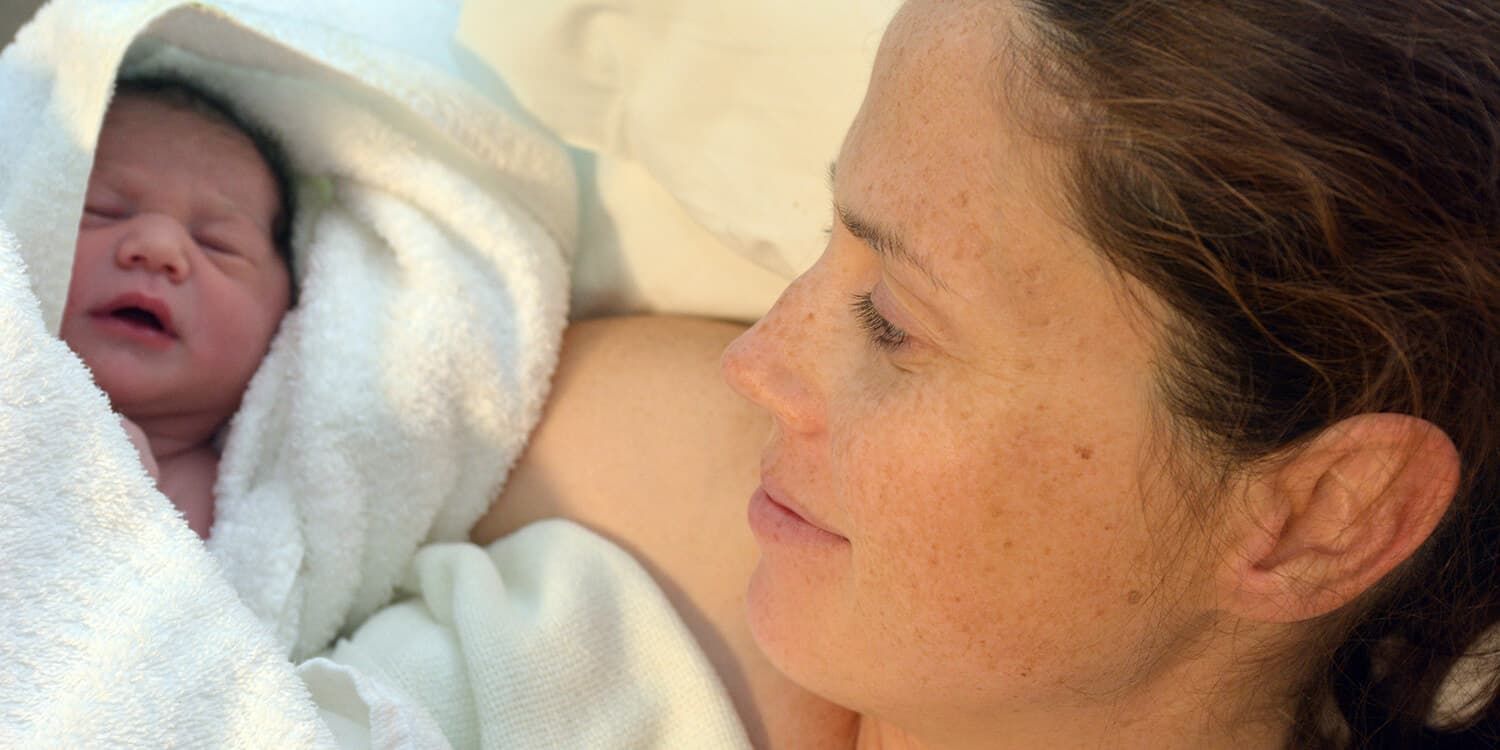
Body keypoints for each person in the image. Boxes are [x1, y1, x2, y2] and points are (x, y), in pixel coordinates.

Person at [473, 0, 1500, 746]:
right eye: (823, 243)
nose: (756, 360)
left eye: (890, 324)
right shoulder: (632, 470)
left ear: (1321, 514)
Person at [58, 76, 296, 539]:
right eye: (101, 210)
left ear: (285, 316)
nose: (157, 246)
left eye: (217, 245)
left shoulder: (244, 510)